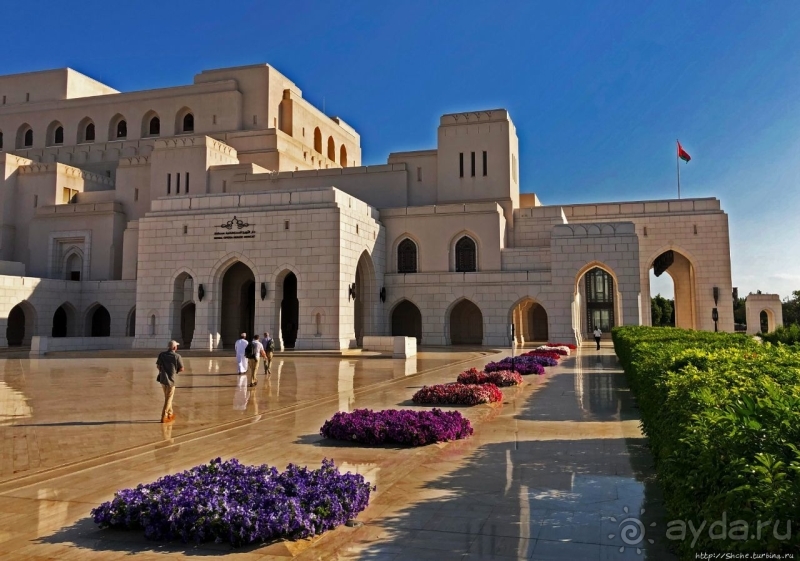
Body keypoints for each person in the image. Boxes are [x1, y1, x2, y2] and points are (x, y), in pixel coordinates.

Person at [156, 340, 184, 423]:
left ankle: (170, 414)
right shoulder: (177, 356)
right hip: (172, 380)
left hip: (162, 379)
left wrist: (163, 371)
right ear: (174, 347)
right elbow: (182, 368)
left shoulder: (162, 354)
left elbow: (158, 366)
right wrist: (175, 371)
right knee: (168, 399)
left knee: (168, 398)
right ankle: (164, 416)